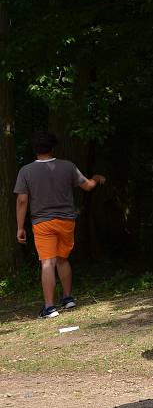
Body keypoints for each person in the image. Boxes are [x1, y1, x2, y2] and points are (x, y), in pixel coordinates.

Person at [13, 131, 106, 318]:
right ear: (53, 147)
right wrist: (96, 178)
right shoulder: (67, 166)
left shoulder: (26, 171)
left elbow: (22, 201)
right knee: (63, 259)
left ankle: (49, 307)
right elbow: (88, 186)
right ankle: (68, 298)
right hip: (66, 220)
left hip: (42, 222)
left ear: (35, 150)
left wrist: (20, 227)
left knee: (47, 262)